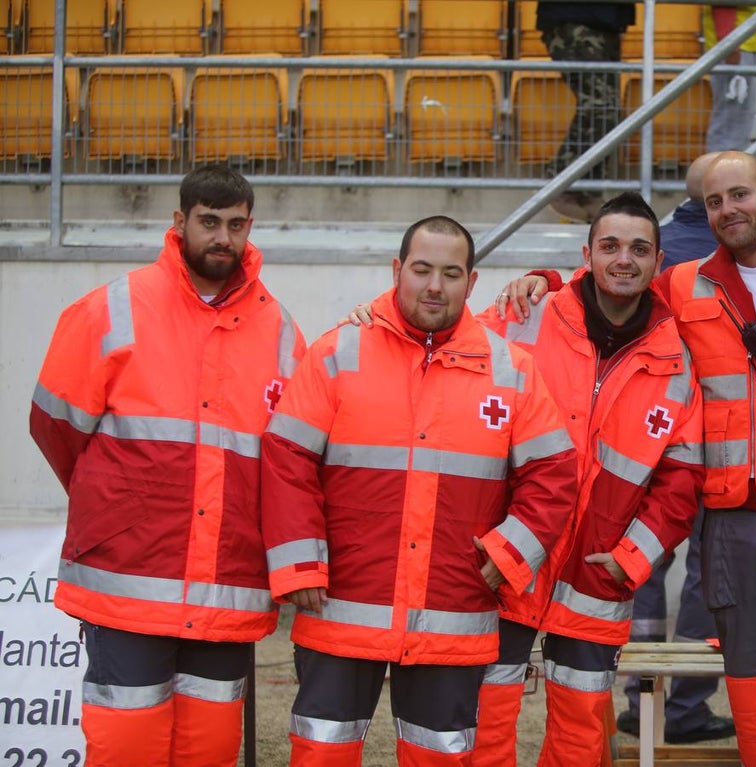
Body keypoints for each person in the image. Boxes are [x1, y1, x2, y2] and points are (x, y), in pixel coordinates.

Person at [499, 150, 756, 767]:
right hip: (731, 528)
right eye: (715, 202)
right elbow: (613, 284)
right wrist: (547, 279)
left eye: (740, 195)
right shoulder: (682, 283)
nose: (729, 210)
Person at [349, 194, 705, 766]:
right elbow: (436, 332)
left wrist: (634, 559)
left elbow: (682, 479)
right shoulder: (526, 316)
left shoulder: (677, 360)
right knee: (485, 724)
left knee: (582, 735)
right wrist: (376, 317)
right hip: (505, 562)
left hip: (598, 573)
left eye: (639, 249)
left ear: (658, 262)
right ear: (585, 253)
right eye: (609, 246)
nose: (623, 260)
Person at [260, 215, 579, 766]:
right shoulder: (340, 352)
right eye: (422, 269)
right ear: (397, 271)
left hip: (451, 611)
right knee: (320, 752)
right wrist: (299, 564)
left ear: (472, 283)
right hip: (343, 606)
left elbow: (554, 475)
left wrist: (508, 556)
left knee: (441, 757)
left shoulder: (512, 370)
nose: (435, 285)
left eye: (451, 273)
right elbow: (287, 457)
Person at [29, 164, 306, 767]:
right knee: (127, 748)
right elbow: (55, 427)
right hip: (128, 579)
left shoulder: (280, 329)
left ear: (250, 227)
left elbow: (290, 461)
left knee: (208, 750)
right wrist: (117, 502)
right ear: (179, 222)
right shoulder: (111, 309)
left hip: (225, 588)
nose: (222, 239)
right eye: (209, 222)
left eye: (235, 225)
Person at [616, 153, 735, 745]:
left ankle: (639, 703)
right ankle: (685, 707)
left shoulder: (651, 250)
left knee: (641, 567)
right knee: (705, 578)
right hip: (720, 440)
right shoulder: (734, 257)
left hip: (647, 434)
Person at [536, 2, 636, 223]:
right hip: (574, 18)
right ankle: (560, 182)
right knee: (600, 106)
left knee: (609, 111)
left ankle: (588, 190)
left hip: (606, 21)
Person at [704, 5, 756, 152]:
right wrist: (729, 42)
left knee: (736, 116)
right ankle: (725, 168)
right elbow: (724, 4)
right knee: (730, 119)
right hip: (736, 43)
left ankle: (730, 165)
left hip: (741, 42)